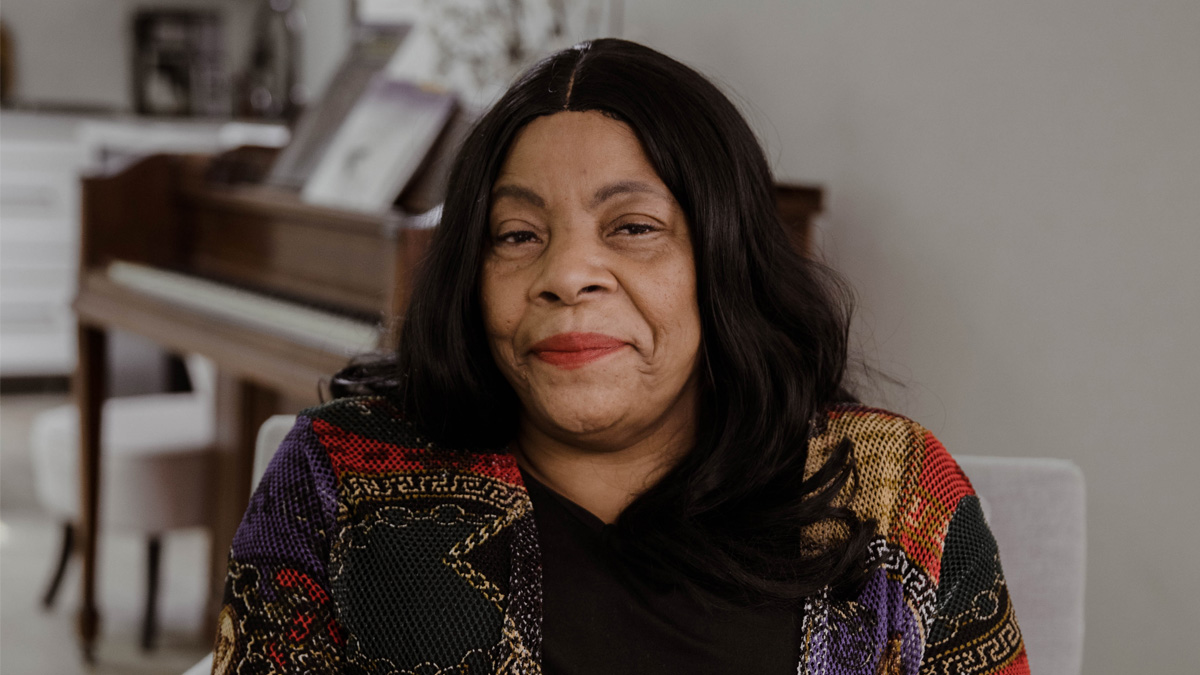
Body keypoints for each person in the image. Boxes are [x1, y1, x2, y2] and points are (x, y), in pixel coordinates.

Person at [212, 39, 1029, 675]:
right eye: (518, 236)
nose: (565, 275)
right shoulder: (343, 470)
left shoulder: (895, 493)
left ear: (723, 260)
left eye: (633, 227)